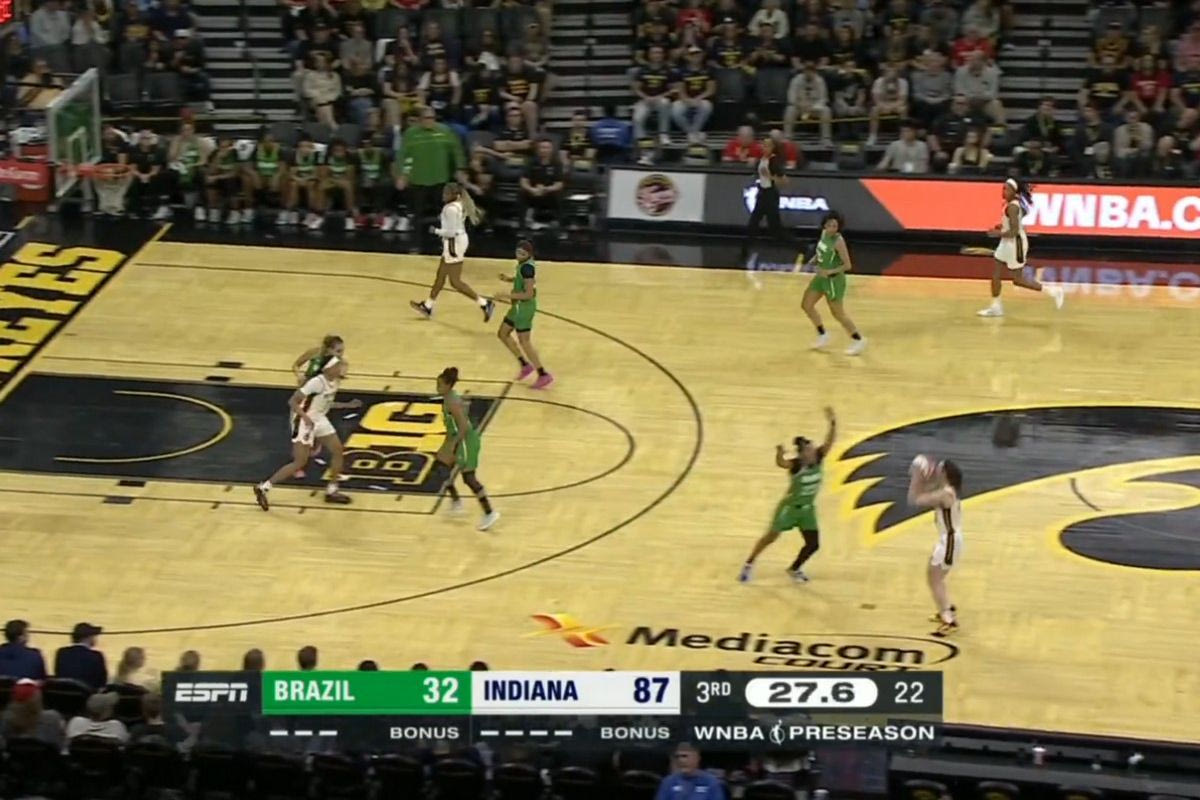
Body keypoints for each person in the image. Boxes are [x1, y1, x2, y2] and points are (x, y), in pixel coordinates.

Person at [738, 407, 836, 583]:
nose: (813, 451)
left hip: (807, 510)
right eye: (809, 450)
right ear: (802, 454)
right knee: (771, 537)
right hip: (789, 509)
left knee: (813, 544)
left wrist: (833, 423)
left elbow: (830, 441)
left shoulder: (819, 458)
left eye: (813, 448)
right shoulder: (797, 465)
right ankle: (749, 564)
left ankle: (794, 569)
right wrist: (779, 453)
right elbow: (782, 463)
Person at [253, 356, 362, 509]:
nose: (341, 368)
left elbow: (325, 403)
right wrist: (305, 418)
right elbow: (292, 401)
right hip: (303, 421)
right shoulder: (316, 382)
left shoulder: (335, 381)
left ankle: (332, 490)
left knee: (338, 450)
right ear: (328, 368)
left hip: (319, 418)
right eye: (337, 365)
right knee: (300, 462)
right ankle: (263, 487)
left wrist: (347, 405)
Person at [977, 178, 1064, 317]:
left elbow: (1013, 232)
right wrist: (1002, 226)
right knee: (996, 274)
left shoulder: (1013, 207)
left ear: (1014, 191)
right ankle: (996, 307)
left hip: (1015, 244)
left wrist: (997, 233)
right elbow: (1015, 222)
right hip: (1007, 242)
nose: (1003, 191)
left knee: (1018, 280)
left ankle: (1053, 291)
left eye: (1007, 189)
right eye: (1003, 188)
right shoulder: (1012, 204)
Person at [410, 183, 495, 321]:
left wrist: (435, 231)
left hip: (453, 244)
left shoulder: (450, 209)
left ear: (453, 195)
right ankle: (428, 305)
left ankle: (485, 303)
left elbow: (452, 232)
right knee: (440, 276)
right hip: (457, 241)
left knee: (455, 282)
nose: (443, 196)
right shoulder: (459, 204)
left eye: (446, 193)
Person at [433, 367, 499, 531]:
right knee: (440, 466)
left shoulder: (452, 402)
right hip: (455, 436)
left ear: (448, 385)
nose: (437, 387)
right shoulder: (450, 397)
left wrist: (453, 446)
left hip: (465, 440)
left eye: (440, 385)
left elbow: (463, 426)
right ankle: (456, 502)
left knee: (469, 478)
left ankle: (489, 512)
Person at [907, 455, 964, 637]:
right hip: (950, 540)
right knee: (936, 578)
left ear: (944, 473)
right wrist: (922, 478)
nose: (936, 472)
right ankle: (945, 609)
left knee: (934, 579)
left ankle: (949, 620)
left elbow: (915, 499)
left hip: (949, 541)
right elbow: (923, 494)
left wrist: (917, 476)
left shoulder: (945, 494)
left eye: (939, 469)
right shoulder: (946, 491)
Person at [800, 211, 865, 355]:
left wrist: (830, 272)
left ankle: (858, 339)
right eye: (829, 225)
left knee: (838, 313)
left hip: (834, 280)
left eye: (835, 226)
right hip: (821, 278)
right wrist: (815, 259)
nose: (832, 228)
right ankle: (822, 334)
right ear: (824, 225)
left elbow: (847, 265)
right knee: (806, 305)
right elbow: (822, 251)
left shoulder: (838, 241)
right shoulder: (824, 234)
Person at [495, 240, 552, 388]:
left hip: (524, 308)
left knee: (525, 342)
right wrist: (509, 279)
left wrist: (506, 295)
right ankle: (525, 365)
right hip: (518, 308)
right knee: (502, 333)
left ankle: (543, 374)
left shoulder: (527, 268)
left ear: (529, 254)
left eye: (523, 253)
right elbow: (524, 280)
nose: (519, 255)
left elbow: (528, 294)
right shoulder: (524, 265)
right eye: (518, 252)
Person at [740, 136, 787, 256]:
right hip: (762, 194)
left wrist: (770, 176)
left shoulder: (774, 161)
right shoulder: (761, 160)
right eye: (763, 145)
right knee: (753, 224)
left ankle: (802, 247)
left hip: (771, 195)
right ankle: (744, 252)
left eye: (767, 146)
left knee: (776, 229)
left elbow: (784, 181)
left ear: (773, 148)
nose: (764, 148)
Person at [320, 138, 360, 231]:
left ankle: (349, 216)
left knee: (348, 185)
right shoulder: (326, 159)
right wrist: (334, 181)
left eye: (341, 150)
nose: (339, 152)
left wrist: (336, 181)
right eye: (336, 150)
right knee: (322, 185)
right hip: (331, 182)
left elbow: (350, 177)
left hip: (344, 182)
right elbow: (323, 176)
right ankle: (319, 215)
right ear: (331, 151)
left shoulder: (350, 159)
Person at [54, 622, 108, 689]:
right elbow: (102, 683)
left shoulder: (61, 653)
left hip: (63, 692)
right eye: (93, 636)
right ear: (88, 637)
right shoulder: (96, 656)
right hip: (87, 694)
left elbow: (58, 676)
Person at [203, 135, 243, 224]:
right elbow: (210, 171)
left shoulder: (234, 153)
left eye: (226, 142)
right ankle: (214, 210)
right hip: (218, 178)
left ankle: (235, 211)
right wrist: (218, 158)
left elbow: (234, 173)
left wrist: (217, 177)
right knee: (209, 181)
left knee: (231, 182)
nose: (224, 145)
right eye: (222, 142)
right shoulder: (214, 153)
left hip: (231, 178)